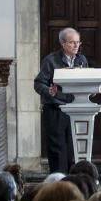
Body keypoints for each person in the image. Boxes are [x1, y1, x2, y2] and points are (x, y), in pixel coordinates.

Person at [34, 27, 87, 174]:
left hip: (76, 110)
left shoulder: (82, 60)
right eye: (72, 42)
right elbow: (38, 83)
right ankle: (58, 181)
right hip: (56, 109)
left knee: (73, 148)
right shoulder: (51, 60)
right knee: (58, 149)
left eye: (78, 42)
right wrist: (49, 91)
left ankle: (73, 181)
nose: (76, 46)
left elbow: (87, 81)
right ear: (63, 43)